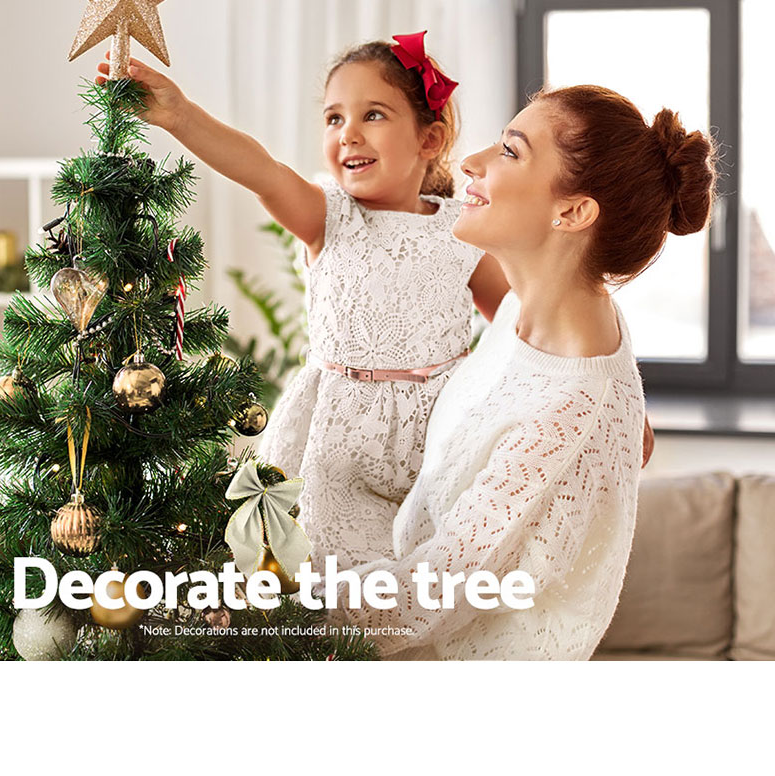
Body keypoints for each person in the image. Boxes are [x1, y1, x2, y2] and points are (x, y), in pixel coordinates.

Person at [326, 85, 716, 660]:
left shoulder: (569, 410)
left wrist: (261, 598)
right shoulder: (532, 308)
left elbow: (422, 598)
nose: (470, 162)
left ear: (573, 212)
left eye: (510, 151)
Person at [96, 33, 510, 572]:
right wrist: (181, 116)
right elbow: (262, 172)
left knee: (426, 575)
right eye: (334, 118)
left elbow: (518, 323)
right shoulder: (327, 216)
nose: (349, 134)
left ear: (429, 138)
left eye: (373, 115)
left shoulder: (463, 231)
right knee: (329, 579)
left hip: (437, 435)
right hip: (335, 439)